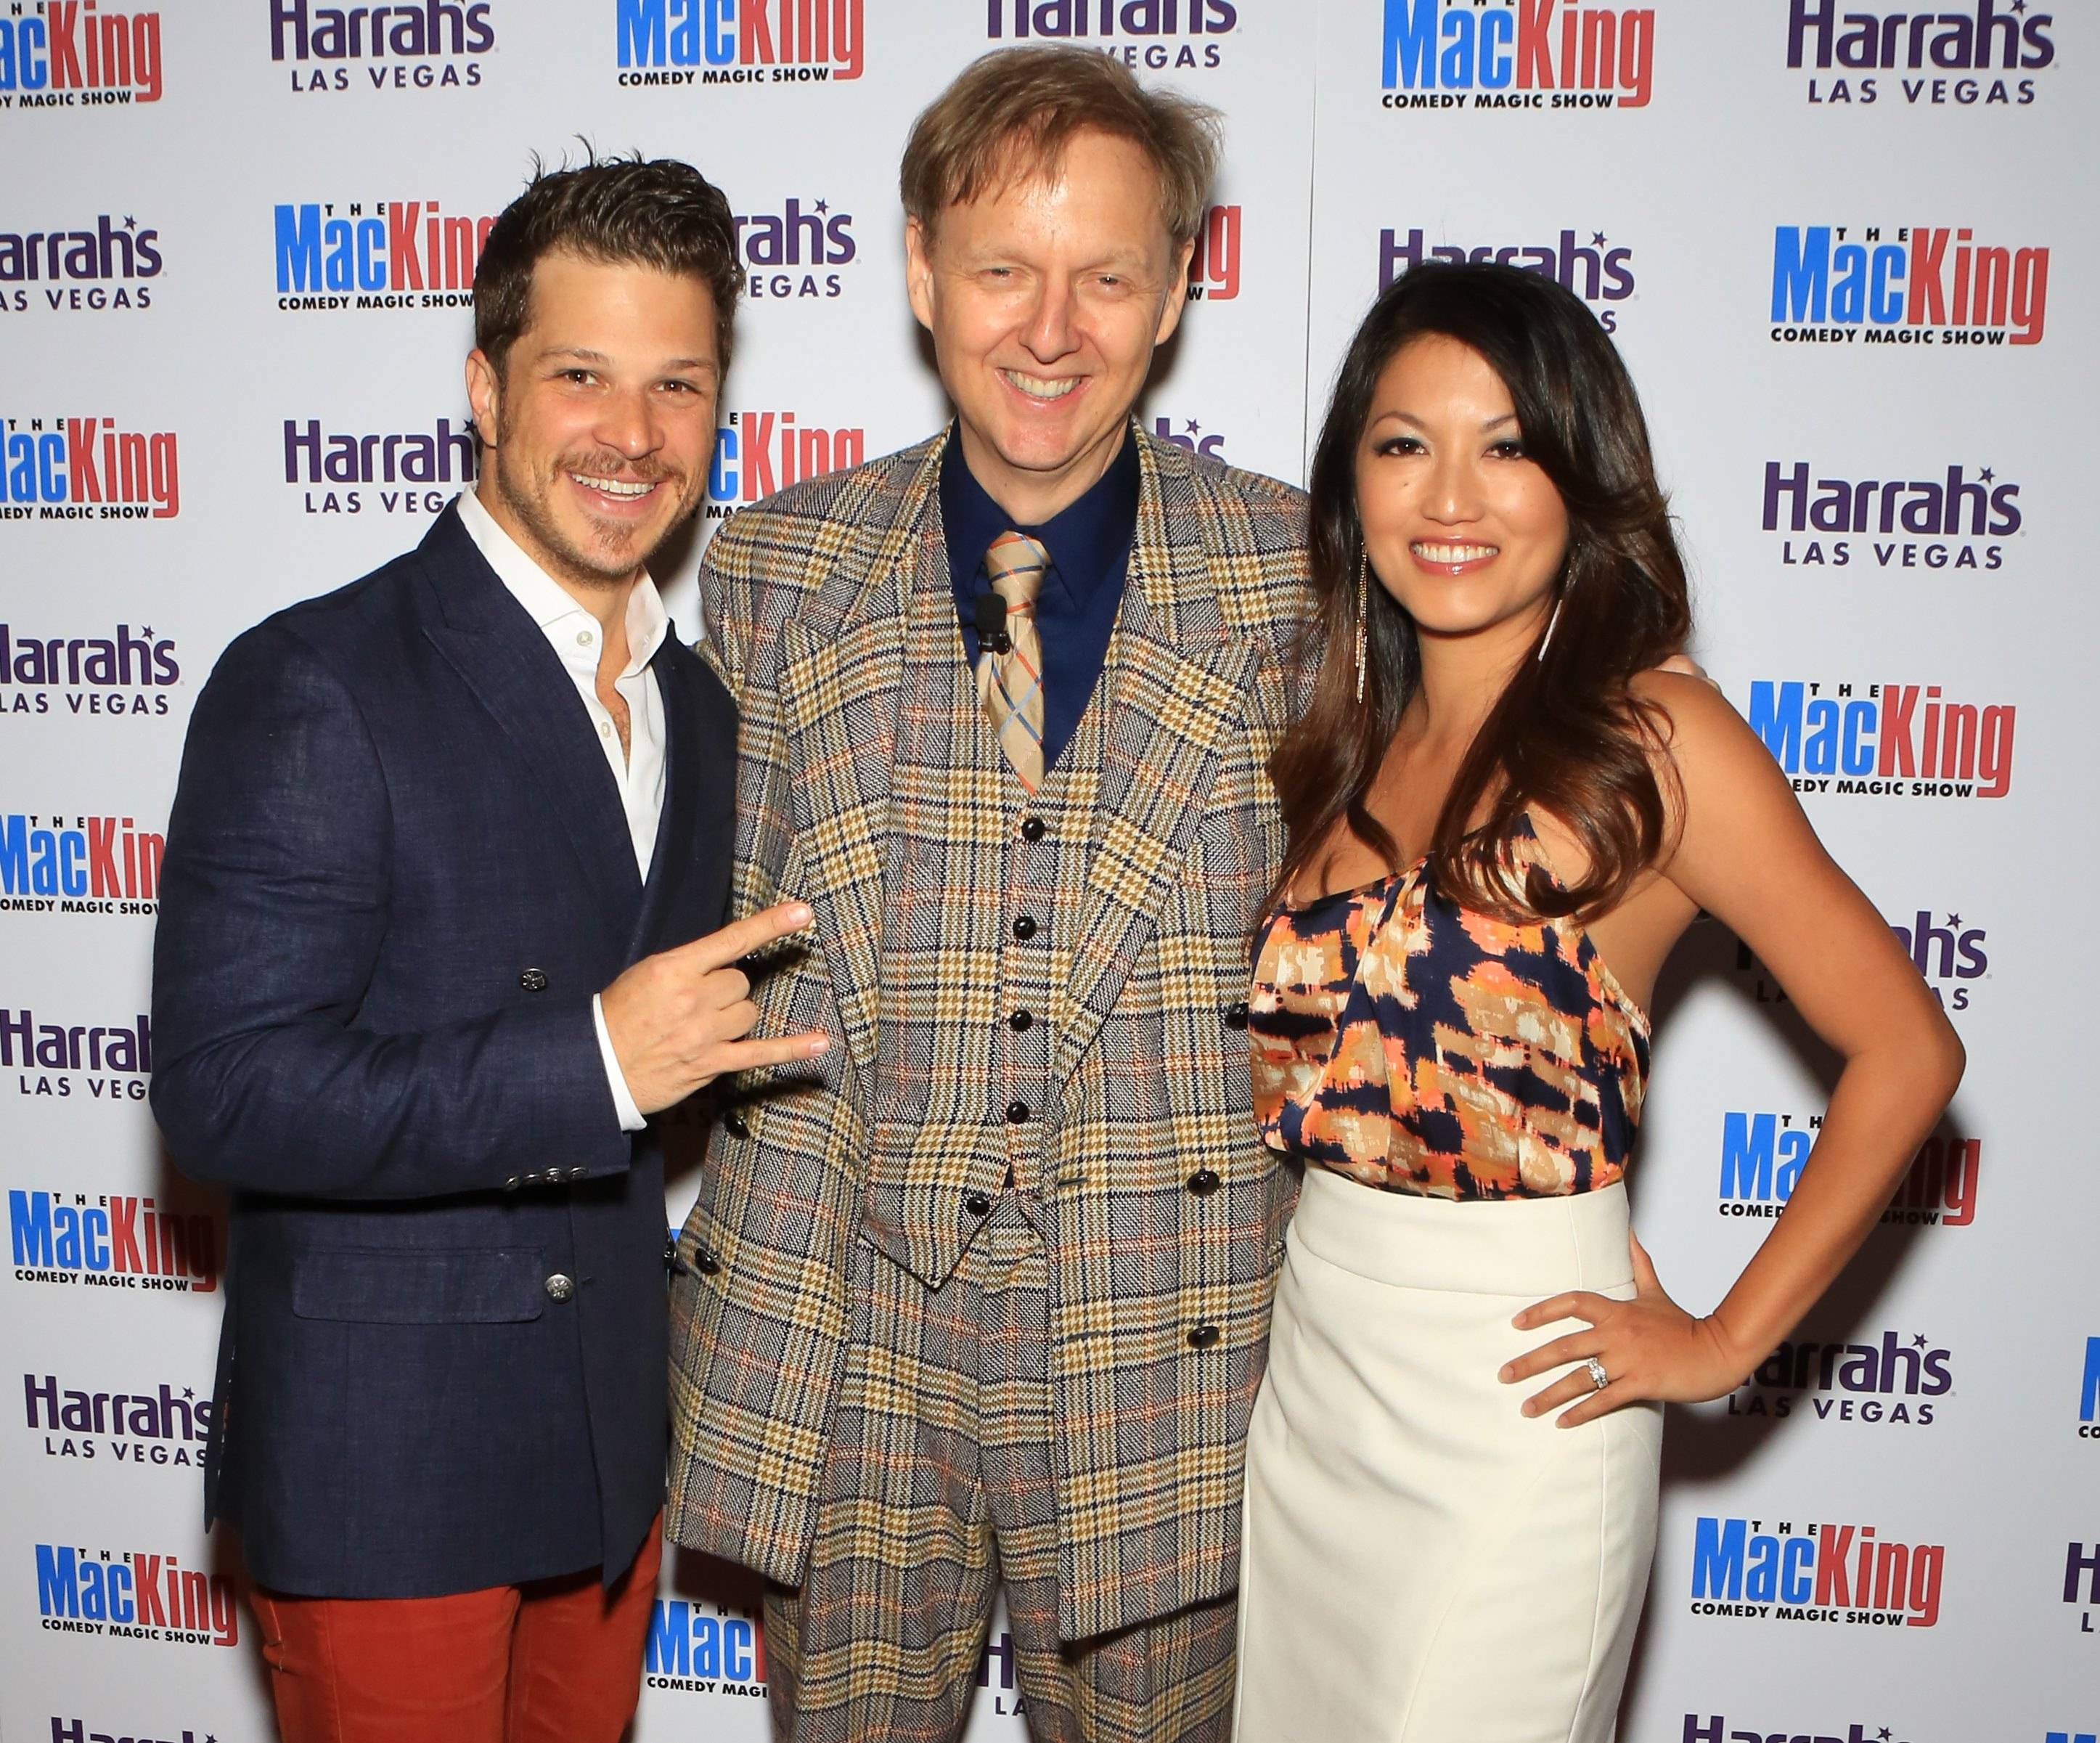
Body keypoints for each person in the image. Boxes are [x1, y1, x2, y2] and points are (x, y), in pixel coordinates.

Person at [663, 46, 1310, 1743]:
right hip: (850, 1340)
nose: (1050, 329)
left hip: (1169, 1352)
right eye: (1004, 269)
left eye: (1106, 276)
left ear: (1179, 286)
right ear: (919, 270)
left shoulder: (1300, 581)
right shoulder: (775, 569)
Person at [1232, 259, 1966, 1740]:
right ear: (1351, 483)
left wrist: (1725, 1342)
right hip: (1313, 1389)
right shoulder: (1345, 740)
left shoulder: (1653, 736)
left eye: (1506, 446)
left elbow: (1907, 1048)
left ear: (1580, 477)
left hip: (1521, 1407)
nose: (1451, 495)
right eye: (1402, 443)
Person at [150, 155, 828, 1743]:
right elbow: (226, 1088)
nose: (632, 433)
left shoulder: (702, 704)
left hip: (604, 1447)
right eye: (580, 374)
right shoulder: (319, 677)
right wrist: (589, 1063)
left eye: (677, 384)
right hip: (387, 1462)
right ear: (483, 388)